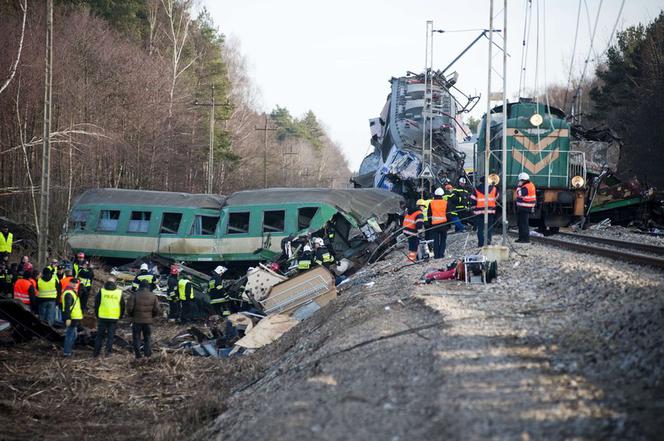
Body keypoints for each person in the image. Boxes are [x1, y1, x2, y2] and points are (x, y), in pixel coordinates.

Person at [126, 280, 161, 359]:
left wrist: (133, 315)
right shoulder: (153, 296)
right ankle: (147, 355)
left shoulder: (134, 295)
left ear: (139, 286)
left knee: (136, 338)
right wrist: (151, 316)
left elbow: (129, 309)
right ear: (148, 287)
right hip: (148, 321)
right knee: (147, 338)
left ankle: (138, 355)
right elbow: (157, 309)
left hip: (137, 320)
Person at [93, 277, 124, 358]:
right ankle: (108, 353)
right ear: (115, 283)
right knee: (111, 336)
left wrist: (97, 315)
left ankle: (96, 353)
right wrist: (120, 316)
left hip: (102, 317)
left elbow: (96, 304)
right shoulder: (119, 293)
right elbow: (122, 306)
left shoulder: (102, 291)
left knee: (99, 335)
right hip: (113, 317)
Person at [470, 176, 499, 247]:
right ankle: (488, 242)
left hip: (480, 212)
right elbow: (497, 197)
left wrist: (473, 209)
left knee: (480, 228)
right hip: (490, 211)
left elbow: (473, 199)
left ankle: (480, 243)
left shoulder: (476, 189)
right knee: (489, 227)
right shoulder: (494, 189)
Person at [428, 188, 451, 259]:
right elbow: (448, 215)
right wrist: (449, 225)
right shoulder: (445, 203)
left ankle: (436, 255)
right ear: (442, 195)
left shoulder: (431, 203)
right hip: (444, 224)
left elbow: (429, 215)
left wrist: (430, 224)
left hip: (434, 225)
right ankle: (441, 254)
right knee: (443, 240)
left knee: (436, 240)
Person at [62, 283, 83, 357]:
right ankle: (67, 352)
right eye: (74, 284)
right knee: (70, 335)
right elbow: (67, 307)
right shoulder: (69, 294)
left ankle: (69, 350)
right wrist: (68, 318)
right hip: (72, 318)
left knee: (73, 335)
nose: (75, 285)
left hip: (74, 318)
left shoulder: (73, 293)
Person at [515, 172, 537, 243]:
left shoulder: (527, 186)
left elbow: (519, 193)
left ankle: (525, 239)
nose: (519, 182)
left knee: (524, 224)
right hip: (524, 207)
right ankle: (521, 238)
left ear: (523, 180)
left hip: (525, 207)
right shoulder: (528, 185)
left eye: (520, 181)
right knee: (521, 223)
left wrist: (518, 187)